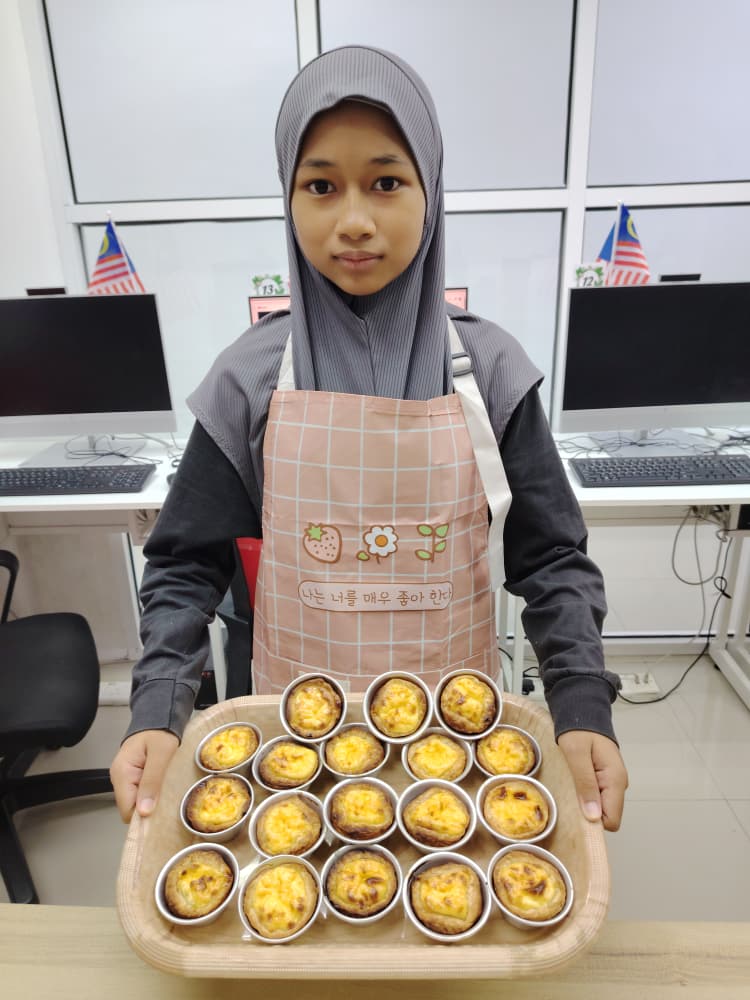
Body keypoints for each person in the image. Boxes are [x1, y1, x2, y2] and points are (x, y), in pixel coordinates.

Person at [110, 45, 628, 831]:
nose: (353, 221)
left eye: (386, 182)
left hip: (453, 741)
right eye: (321, 186)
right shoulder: (249, 378)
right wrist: (157, 707)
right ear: (288, 198)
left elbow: (552, 559)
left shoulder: (490, 370)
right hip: (291, 746)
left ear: (431, 190)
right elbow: (185, 565)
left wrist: (582, 702)